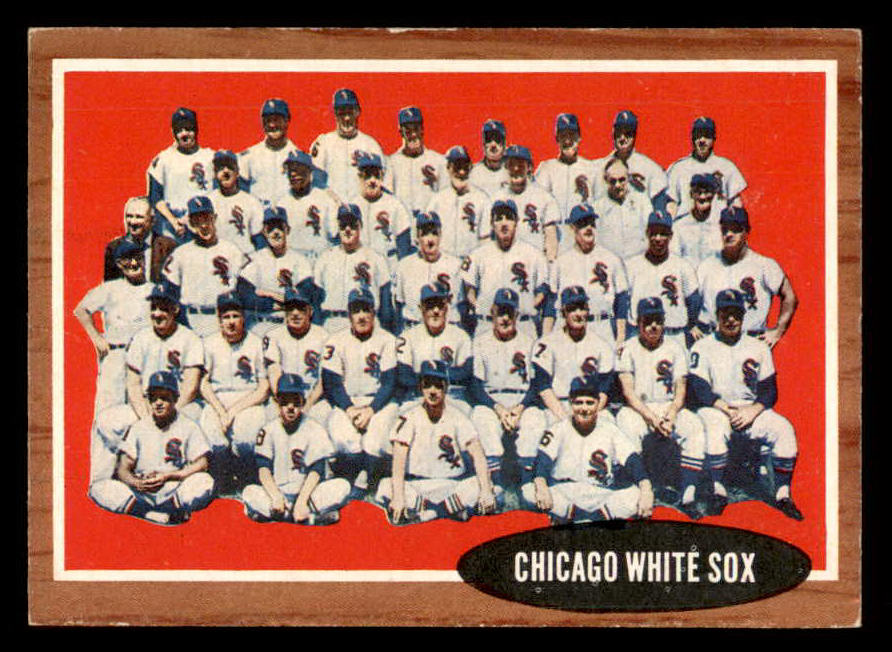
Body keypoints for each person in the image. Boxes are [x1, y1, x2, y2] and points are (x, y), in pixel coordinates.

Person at [688, 289, 803, 520]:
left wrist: (753, 411)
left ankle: (783, 494)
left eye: (736, 314)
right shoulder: (703, 346)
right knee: (715, 426)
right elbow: (698, 388)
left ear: (743, 315)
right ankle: (718, 491)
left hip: (749, 408)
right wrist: (725, 409)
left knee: (784, 429)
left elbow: (769, 389)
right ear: (717, 315)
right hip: (716, 407)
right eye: (725, 313)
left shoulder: (758, 346)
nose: (731, 319)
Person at [91, 282, 204, 484]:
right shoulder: (141, 338)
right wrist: (147, 420)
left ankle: (177, 478)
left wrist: (169, 414)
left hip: (180, 406)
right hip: (147, 405)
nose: (157, 313)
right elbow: (133, 385)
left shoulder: (190, 339)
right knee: (106, 421)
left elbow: (191, 387)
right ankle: (103, 482)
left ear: (175, 309)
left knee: (192, 424)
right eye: (154, 308)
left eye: (163, 308)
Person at [375, 361, 498, 524]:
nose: (432, 391)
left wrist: (486, 491)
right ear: (421, 387)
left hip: (451, 485)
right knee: (385, 486)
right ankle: (448, 512)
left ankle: (427, 514)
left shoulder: (458, 416)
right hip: (418, 486)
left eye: (438, 385)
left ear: (446, 387)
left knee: (484, 485)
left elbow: (478, 455)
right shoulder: (409, 417)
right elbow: (398, 462)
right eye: (427, 385)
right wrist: (398, 497)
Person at [616, 297, 706, 519]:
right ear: (638, 322)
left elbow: (680, 389)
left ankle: (688, 493)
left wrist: (672, 413)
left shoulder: (675, 347)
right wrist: (651, 418)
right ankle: (638, 489)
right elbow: (628, 392)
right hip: (639, 408)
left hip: (668, 405)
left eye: (658, 320)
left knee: (694, 426)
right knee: (626, 425)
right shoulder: (628, 348)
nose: (653, 326)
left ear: (664, 321)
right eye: (647, 321)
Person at [521, 375, 654, 523]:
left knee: (636, 494)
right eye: (579, 403)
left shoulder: (611, 430)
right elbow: (542, 462)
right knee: (529, 490)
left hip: (600, 493)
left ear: (598, 404)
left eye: (589, 403)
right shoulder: (558, 429)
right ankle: (596, 519)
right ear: (571, 403)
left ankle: (578, 518)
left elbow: (633, 461)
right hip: (565, 491)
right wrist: (541, 486)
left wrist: (646, 489)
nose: (584, 408)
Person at [89, 371, 214, 525]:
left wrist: (169, 476)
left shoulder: (188, 426)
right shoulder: (139, 427)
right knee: (99, 488)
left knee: (204, 482)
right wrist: (135, 482)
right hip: (142, 492)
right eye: (153, 398)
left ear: (175, 398)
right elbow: (123, 468)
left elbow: (202, 463)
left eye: (164, 397)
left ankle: (170, 507)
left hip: (173, 488)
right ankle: (148, 513)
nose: (158, 403)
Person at [241, 373, 350, 525]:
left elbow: (317, 470)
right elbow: (263, 469)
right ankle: (310, 519)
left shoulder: (314, 428)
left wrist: (302, 501)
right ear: (277, 402)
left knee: (342, 486)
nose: (291, 407)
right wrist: (276, 497)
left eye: (296, 402)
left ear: (303, 402)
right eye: (285, 402)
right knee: (249, 492)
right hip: (279, 495)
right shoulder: (268, 429)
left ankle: (282, 517)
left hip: (308, 495)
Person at [322, 287, 399, 495]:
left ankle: (369, 480)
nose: (362, 316)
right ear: (349, 315)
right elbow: (331, 382)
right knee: (343, 438)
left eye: (366, 310)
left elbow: (390, 382)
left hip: (379, 402)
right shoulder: (335, 340)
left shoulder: (387, 339)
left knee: (375, 440)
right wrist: (349, 409)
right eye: (356, 311)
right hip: (348, 402)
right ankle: (351, 476)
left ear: (374, 312)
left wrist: (371, 410)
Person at [468, 288, 545, 491]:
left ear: (517, 315)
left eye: (509, 313)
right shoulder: (480, 342)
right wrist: (499, 409)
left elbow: (536, 385)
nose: (505, 318)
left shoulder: (530, 342)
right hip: (492, 401)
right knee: (481, 418)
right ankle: (495, 485)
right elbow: (476, 385)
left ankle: (527, 485)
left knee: (536, 420)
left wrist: (519, 408)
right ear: (492, 312)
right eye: (501, 312)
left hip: (521, 401)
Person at [694, 207, 798, 349]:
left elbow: (790, 297)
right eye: (725, 229)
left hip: (750, 341)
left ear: (746, 231)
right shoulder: (706, 265)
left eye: (735, 229)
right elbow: (689, 298)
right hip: (713, 340)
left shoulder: (763, 265)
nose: (729, 234)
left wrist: (778, 331)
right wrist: (692, 326)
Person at [198, 291, 270, 492]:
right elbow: (203, 384)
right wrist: (221, 411)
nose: (231, 322)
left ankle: (247, 479)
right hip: (217, 399)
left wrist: (233, 412)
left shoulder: (256, 343)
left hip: (249, 400)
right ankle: (223, 480)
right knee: (214, 439)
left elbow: (264, 387)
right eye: (226, 317)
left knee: (246, 439)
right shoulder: (209, 343)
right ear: (219, 320)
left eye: (235, 316)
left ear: (243, 318)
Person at [76, 239, 153, 415]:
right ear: (119, 264)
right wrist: (97, 339)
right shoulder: (110, 288)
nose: (133, 263)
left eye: (137, 258)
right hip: (116, 354)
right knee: (108, 409)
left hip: (144, 358)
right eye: (127, 259)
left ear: (144, 259)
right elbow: (81, 310)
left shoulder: (153, 290)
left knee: (143, 410)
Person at [461, 199, 550, 339]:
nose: (504, 223)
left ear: (516, 222)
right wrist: (483, 308)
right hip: (487, 324)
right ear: (492, 224)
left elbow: (542, 292)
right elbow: (469, 292)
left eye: (509, 218)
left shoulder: (534, 254)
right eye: (499, 219)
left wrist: (526, 307)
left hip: (523, 324)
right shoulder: (478, 255)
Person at [530, 286, 617, 427]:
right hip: (557, 407)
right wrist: (565, 419)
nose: (578, 314)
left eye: (582, 308)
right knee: (536, 421)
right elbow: (543, 387)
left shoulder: (602, 346)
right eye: (572, 309)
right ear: (563, 312)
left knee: (608, 421)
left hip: (590, 407)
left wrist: (589, 415)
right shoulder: (546, 344)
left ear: (588, 310)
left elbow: (603, 390)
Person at [161, 195, 248, 337]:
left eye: (207, 218)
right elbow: (169, 293)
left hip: (222, 320)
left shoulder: (232, 250)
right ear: (190, 223)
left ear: (215, 218)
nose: (203, 225)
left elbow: (246, 290)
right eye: (197, 221)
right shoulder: (181, 253)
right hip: (190, 318)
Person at [547, 202, 630, 346]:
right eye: (583, 224)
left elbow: (621, 300)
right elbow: (551, 303)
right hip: (568, 329)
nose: (588, 228)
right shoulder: (561, 262)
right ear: (572, 228)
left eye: (592, 223)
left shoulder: (611, 259)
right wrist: (547, 337)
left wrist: (620, 337)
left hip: (601, 324)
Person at [312, 203, 394, 333]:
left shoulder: (376, 259)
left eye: (352, 225)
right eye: (343, 225)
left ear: (360, 226)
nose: (347, 229)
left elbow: (386, 307)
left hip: (366, 324)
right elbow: (316, 303)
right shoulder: (325, 258)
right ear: (338, 226)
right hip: (332, 322)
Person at [624, 210, 700, 351]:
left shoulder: (682, 266)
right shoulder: (631, 266)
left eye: (663, 233)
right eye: (654, 233)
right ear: (647, 233)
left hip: (674, 333)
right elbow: (622, 302)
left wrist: (690, 325)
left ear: (671, 236)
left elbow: (694, 300)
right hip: (640, 337)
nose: (658, 238)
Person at [236, 206, 315, 337]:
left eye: (280, 227)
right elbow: (244, 296)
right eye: (270, 228)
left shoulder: (300, 260)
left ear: (287, 230)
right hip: (257, 325)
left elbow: (306, 295)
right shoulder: (255, 259)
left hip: (286, 327)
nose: (275, 232)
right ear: (264, 231)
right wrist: (273, 302)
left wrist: (266, 293)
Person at [396, 283, 473, 413]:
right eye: (430, 305)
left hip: (451, 398)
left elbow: (465, 372)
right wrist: (443, 375)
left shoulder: (461, 336)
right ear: (421, 308)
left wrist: (424, 375)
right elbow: (404, 376)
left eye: (440, 305)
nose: (436, 311)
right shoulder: (406, 337)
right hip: (417, 397)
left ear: (446, 307)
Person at [262, 287, 331, 425]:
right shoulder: (273, 336)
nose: (295, 313)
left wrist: (308, 404)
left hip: (314, 399)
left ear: (310, 311)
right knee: (270, 417)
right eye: (290, 308)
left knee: (322, 416)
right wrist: (283, 403)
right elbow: (273, 372)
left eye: (300, 308)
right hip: (283, 398)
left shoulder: (324, 336)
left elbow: (325, 378)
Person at [147, 107, 216, 244]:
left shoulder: (210, 157)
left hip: (203, 224)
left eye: (188, 129)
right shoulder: (163, 159)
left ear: (196, 130)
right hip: (173, 227)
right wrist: (173, 220)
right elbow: (155, 197)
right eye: (179, 130)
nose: (184, 134)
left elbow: (219, 193)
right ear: (173, 132)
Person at [309, 88, 386, 203]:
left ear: (358, 112)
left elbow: (383, 184)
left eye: (350, 112)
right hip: (332, 208)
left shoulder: (371, 145)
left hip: (364, 208)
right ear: (335, 114)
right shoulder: (324, 143)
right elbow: (315, 181)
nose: (346, 118)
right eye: (342, 113)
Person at [393, 211, 464, 331]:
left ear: (440, 235)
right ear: (417, 237)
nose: (430, 240)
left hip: (448, 330)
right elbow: (399, 305)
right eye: (425, 234)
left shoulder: (455, 265)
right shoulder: (404, 266)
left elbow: (462, 306)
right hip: (413, 328)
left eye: (434, 233)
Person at [666, 116, 747, 219]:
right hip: (686, 227)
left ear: (714, 138)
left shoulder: (726, 167)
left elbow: (736, 204)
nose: (702, 140)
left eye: (707, 136)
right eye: (698, 136)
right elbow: (671, 205)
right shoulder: (678, 168)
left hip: (717, 226)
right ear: (692, 138)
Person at [491, 144, 561, 261]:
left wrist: (550, 263)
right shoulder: (496, 198)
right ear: (506, 167)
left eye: (520, 165)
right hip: (505, 262)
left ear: (529, 167)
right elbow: (489, 238)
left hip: (534, 263)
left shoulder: (544, 198)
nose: (516, 169)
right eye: (511, 164)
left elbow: (551, 237)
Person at [590, 110, 670, 211]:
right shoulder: (598, 167)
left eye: (627, 133)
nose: (622, 138)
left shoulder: (650, 169)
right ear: (613, 133)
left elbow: (660, 208)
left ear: (634, 135)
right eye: (618, 132)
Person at [348, 153, 413, 272]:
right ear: (359, 176)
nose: (372, 180)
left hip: (389, 266)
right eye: (367, 175)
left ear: (382, 176)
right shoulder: (352, 205)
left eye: (376, 175)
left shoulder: (395, 205)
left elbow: (404, 246)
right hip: (360, 267)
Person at [424, 145, 491, 258]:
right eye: (457, 167)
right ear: (448, 168)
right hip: (443, 261)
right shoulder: (437, 200)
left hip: (471, 262)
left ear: (471, 167)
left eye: (465, 167)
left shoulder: (482, 199)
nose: (461, 172)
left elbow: (486, 240)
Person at [274, 149, 340, 262]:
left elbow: (336, 237)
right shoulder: (281, 204)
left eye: (298, 169)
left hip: (321, 259)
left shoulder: (326, 200)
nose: (293, 174)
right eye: (290, 170)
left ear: (310, 171)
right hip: (293, 262)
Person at [534, 113, 594, 226]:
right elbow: (536, 204)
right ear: (557, 139)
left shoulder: (591, 169)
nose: (567, 141)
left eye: (571, 135)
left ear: (579, 137)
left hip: (581, 232)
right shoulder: (546, 169)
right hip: (554, 233)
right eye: (563, 136)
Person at [387, 106, 448, 215]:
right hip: (402, 222)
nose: (413, 134)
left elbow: (446, 197)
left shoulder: (438, 161)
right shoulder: (391, 163)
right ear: (401, 132)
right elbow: (388, 199)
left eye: (416, 129)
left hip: (430, 222)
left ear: (422, 129)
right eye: (408, 130)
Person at [238, 98, 300, 206]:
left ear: (287, 121)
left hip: (289, 214)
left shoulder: (298, 156)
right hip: (258, 213)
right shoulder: (249, 156)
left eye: (277, 120)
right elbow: (239, 195)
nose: (272, 125)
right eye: (268, 120)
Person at [103, 196, 176, 284]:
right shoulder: (114, 248)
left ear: (152, 220)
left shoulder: (167, 246)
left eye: (139, 217)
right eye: (129, 216)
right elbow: (110, 285)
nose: (133, 222)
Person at [591, 157, 653, 260]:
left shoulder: (642, 202)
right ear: (605, 180)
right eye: (613, 181)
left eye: (622, 180)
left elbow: (650, 233)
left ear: (628, 178)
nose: (617, 185)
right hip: (609, 263)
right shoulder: (597, 208)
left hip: (638, 262)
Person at [207, 149, 266, 255]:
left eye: (230, 167)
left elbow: (259, 240)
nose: (226, 171)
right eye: (220, 168)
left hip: (246, 258)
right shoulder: (208, 202)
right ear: (215, 173)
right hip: (217, 258)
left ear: (238, 172)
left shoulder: (252, 202)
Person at [670, 174, 724, 268]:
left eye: (707, 192)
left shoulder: (721, 225)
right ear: (691, 194)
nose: (702, 197)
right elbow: (674, 259)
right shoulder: (679, 226)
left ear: (714, 194)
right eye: (698, 192)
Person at [469, 119, 509, 197]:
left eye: (497, 139)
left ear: (504, 143)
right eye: (489, 139)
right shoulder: (473, 173)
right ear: (483, 143)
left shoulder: (512, 172)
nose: (493, 144)